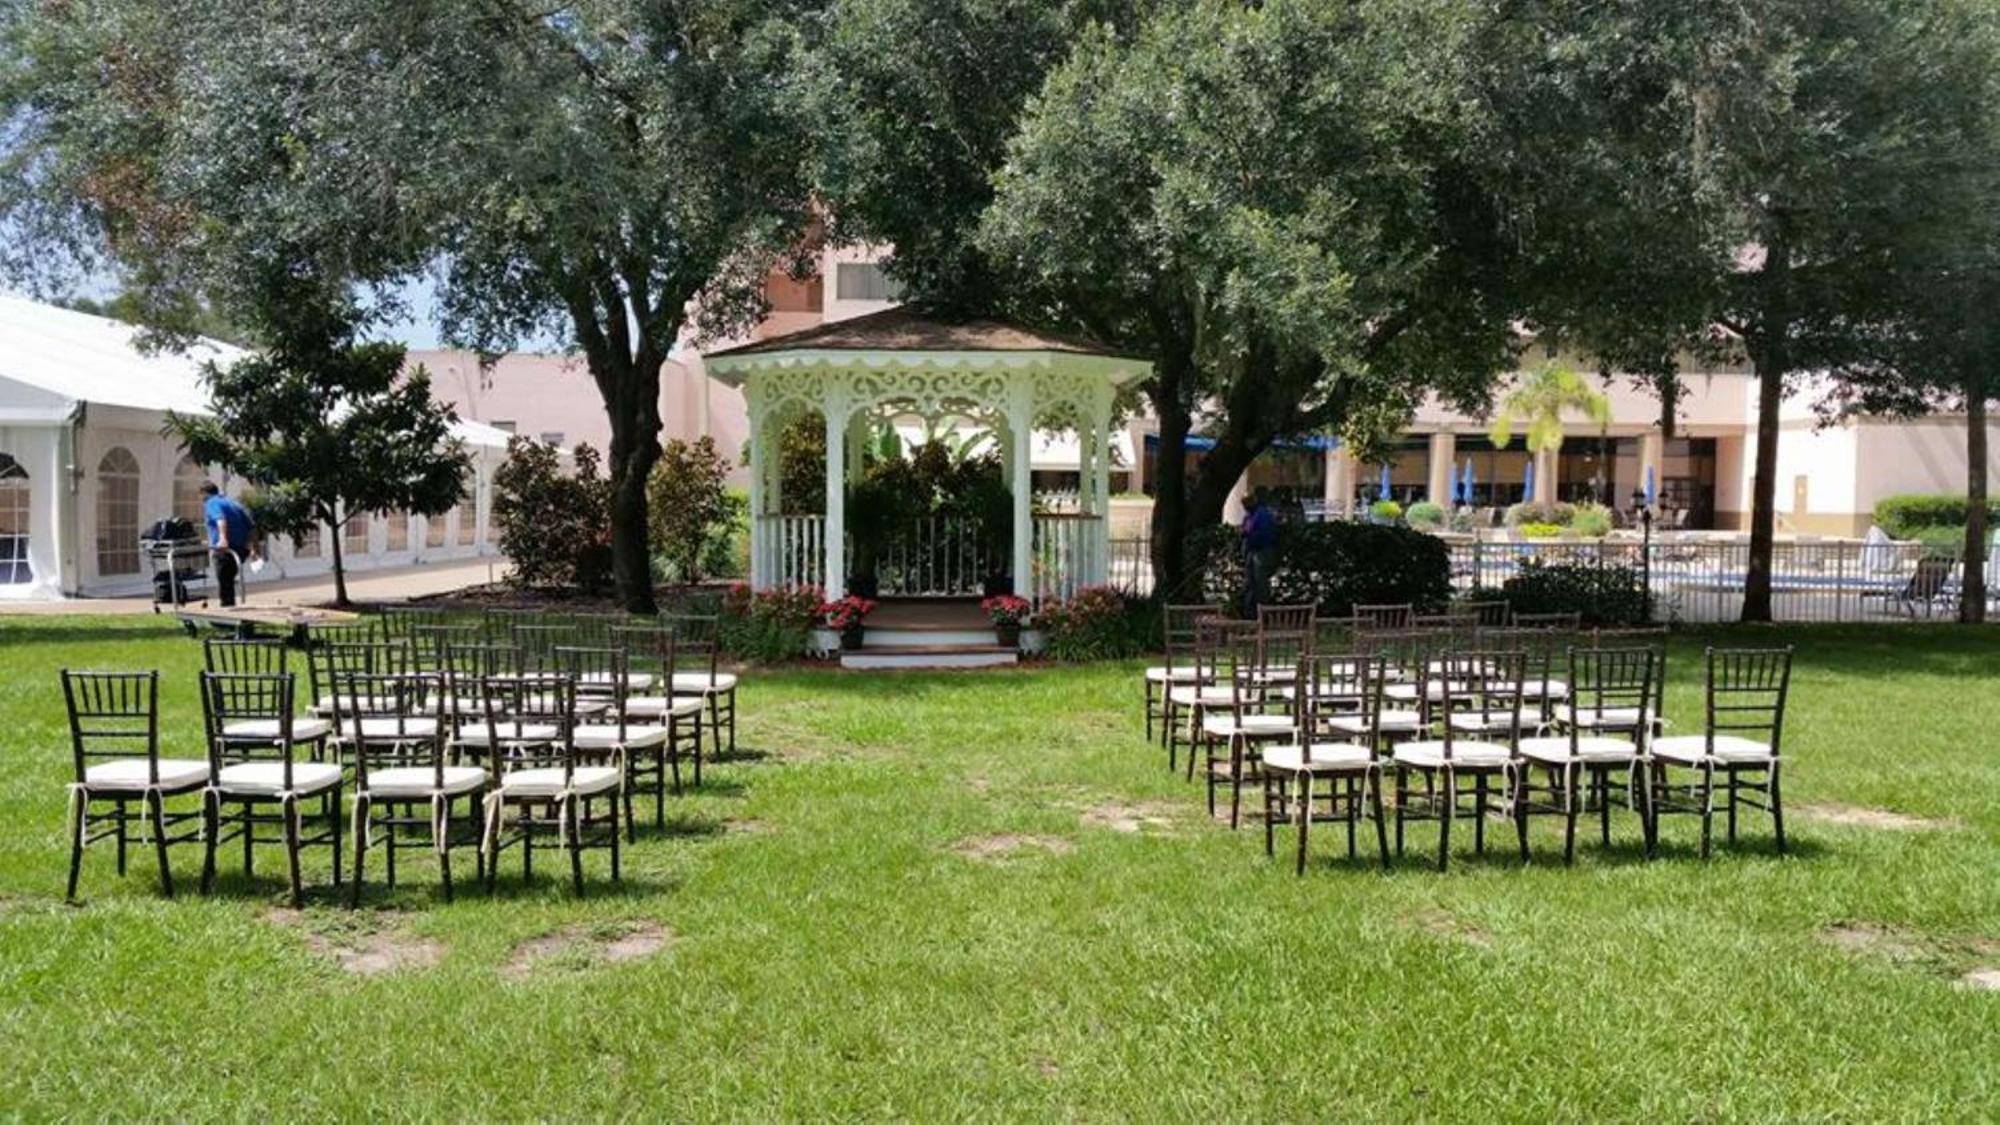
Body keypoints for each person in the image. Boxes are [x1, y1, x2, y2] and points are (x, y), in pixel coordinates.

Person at [201, 482, 255, 608]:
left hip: (225, 550)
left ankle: (227, 611)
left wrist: (223, 539)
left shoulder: (212, 503)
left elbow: (220, 519)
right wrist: (253, 547)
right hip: (240, 549)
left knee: (225, 582)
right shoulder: (233, 502)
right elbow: (251, 526)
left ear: (204, 493)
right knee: (228, 581)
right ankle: (230, 606)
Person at [1241, 486, 1279, 615]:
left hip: (1261, 552)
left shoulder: (1263, 515)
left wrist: (1249, 536)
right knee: (1250, 584)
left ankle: (1263, 613)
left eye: (1247, 502)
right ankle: (1249, 613)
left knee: (1261, 584)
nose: (1245, 506)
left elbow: (1266, 535)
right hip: (1251, 552)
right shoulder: (1249, 516)